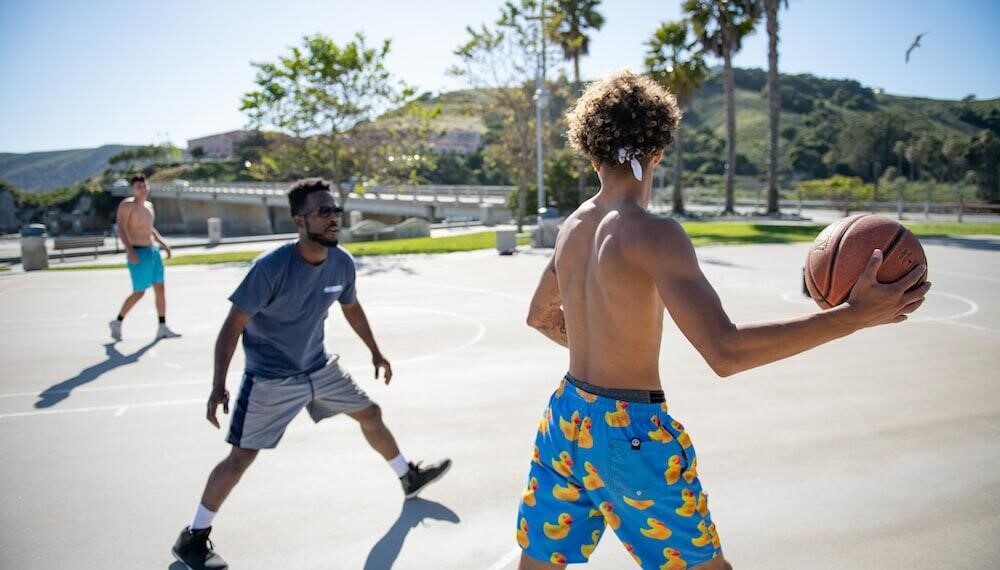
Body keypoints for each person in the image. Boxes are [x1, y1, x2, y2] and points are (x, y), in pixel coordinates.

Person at [514, 70, 930, 570]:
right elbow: (725, 352)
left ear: (590, 152)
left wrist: (598, 345)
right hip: (630, 434)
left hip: (566, 415)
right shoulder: (654, 233)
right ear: (659, 150)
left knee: (539, 562)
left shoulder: (572, 226)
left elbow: (540, 316)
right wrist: (852, 317)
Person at [171, 178, 451, 570]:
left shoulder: (341, 262)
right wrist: (218, 385)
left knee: (369, 413)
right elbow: (233, 325)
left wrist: (375, 351)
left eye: (335, 210)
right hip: (271, 378)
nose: (333, 218)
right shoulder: (271, 268)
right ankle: (193, 537)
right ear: (299, 221)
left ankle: (407, 476)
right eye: (323, 211)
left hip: (319, 367)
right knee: (240, 457)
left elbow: (351, 308)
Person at [108, 173, 180, 341]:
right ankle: (117, 322)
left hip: (152, 252)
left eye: (145, 186)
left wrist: (163, 243)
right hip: (137, 252)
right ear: (133, 189)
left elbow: (150, 228)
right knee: (139, 292)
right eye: (139, 187)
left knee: (160, 288)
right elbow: (121, 228)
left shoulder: (149, 206)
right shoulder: (127, 206)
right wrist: (130, 251)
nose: (143, 189)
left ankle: (162, 327)